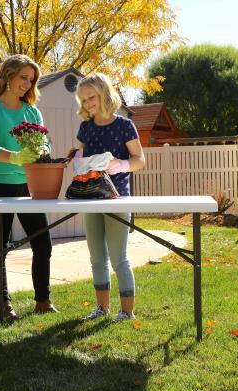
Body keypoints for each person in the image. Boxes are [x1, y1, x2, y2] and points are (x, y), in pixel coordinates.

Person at [0, 54, 58, 322]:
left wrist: (42, 150)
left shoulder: (32, 111)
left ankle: (43, 301)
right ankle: (4, 305)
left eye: (31, 80)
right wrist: (14, 157)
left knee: (43, 244)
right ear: (8, 75)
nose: (27, 84)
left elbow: (46, 144)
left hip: (29, 186)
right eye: (23, 77)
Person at [75, 72, 145, 322]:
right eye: (83, 100)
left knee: (118, 258)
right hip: (90, 197)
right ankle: (101, 309)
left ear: (105, 94)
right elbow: (79, 156)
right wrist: (74, 160)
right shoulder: (86, 128)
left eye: (91, 97)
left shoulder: (124, 125)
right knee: (96, 257)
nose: (87, 103)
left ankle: (126, 311)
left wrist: (122, 166)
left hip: (117, 199)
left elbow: (140, 160)